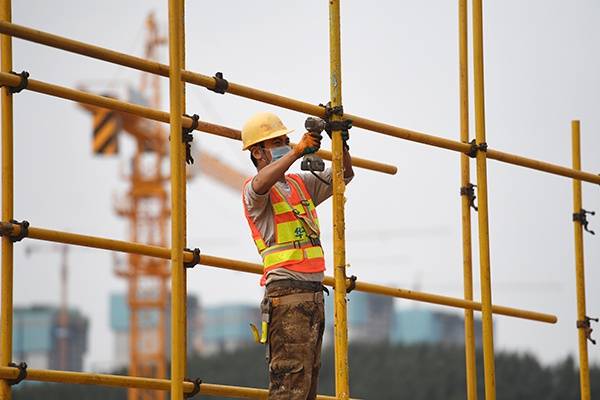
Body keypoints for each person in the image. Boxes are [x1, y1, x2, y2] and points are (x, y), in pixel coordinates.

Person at [241, 111, 353, 399]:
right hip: (287, 295)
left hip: (313, 294)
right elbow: (262, 183)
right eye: (277, 142)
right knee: (289, 389)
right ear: (257, 151)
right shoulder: (255, 191)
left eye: (286, 140)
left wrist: (340, 141)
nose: (286, 145)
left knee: (305, 388)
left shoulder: (300, 184)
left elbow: (344, 175)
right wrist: (297, 152)